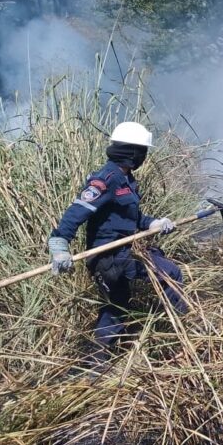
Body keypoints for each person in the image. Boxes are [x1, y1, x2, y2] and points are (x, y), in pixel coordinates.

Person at [48, 121, 186, 360]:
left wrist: (154, 223)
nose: (144, 156)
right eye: (142, 151)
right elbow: (77, 211)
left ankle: (96, 363)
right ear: (132, 152)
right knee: (169, 274)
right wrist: (59, 245)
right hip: (107, 258)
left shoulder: (126, 180)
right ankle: (184, 330)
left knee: (117, 307)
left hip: (125, 251)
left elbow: (131, 216)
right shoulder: (106, 179)